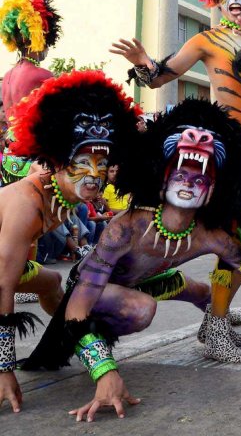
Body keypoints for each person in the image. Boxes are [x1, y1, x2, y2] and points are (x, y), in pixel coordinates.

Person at [22, 99, 241, 420]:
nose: (189, 183)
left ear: (212, 191)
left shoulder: (209, 236)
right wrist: (105, 372)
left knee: (205, 294)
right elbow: (78, 307)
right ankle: (97, 347)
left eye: (199, 179)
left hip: (144, 281)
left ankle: (218, 327)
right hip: (93, 289)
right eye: (181, 174)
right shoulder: (126, 229)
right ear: (164, 179)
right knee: (141, 309)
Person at [110, 0, 241, 356]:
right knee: (240, 242)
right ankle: (216, 325)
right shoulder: (207, 40)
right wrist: (144, 61)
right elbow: (158, 78)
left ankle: (215, 322)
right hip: (216, 150)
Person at [0, 70, 140, 414]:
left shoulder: (65, 194)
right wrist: (4, 367)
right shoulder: (28, 204)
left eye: (101, 164)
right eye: (83, 163)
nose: (94, 174)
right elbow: (3, 285)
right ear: (59, 162)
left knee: (51, 283)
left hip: (13, 263)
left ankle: (69, 341)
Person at [0, 0, 61, 185]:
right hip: (33, 159)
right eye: (45, 41)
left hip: (9, 159)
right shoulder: (42, 75)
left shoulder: (7, 76)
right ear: (34, 38)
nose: (47, 48)